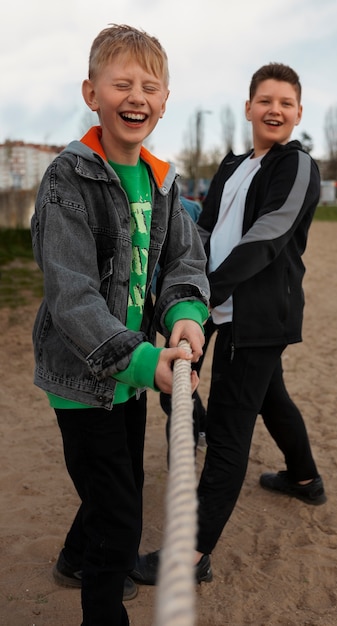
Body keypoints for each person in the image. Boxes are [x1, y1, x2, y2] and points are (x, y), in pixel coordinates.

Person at [31, 24, 209, 626]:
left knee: (120, 482)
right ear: (91, 93)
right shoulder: (67, 178)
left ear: (164, 101)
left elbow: (183, 260)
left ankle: (71, 559)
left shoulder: (163, 180)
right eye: (121, 84)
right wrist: (140, 361)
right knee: (121, 521)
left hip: (133, 378)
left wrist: (185, 315)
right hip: (85, 382)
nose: (137, 96)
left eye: (150, 86)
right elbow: (73, 297)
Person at [133, 61, 326, 585]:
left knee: (229, 434)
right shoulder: (234, 162)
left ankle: (191, 557)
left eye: (286, 103)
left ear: (298, 112)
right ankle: (304, 478)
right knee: (258, 395)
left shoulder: (298, 165)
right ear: (248, 108)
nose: (275, 110)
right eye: (266, 100)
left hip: (256, 315)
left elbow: (267, 236)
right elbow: (208, 225)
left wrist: (207, 293)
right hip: (213, 301)